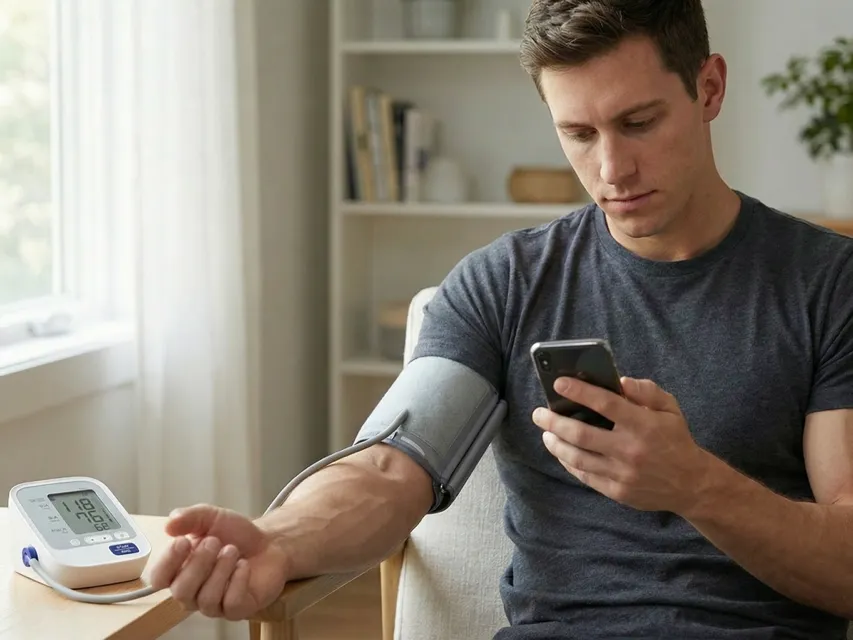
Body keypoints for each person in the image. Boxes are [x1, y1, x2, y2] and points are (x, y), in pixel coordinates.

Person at [149, 1, 853, 637]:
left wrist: (693, 483)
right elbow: (389, 472)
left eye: (638, 123)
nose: (611, 168)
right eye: (577, 133)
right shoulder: (505, 285)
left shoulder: (829, 286)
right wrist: (277, 538)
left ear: (708, 88)